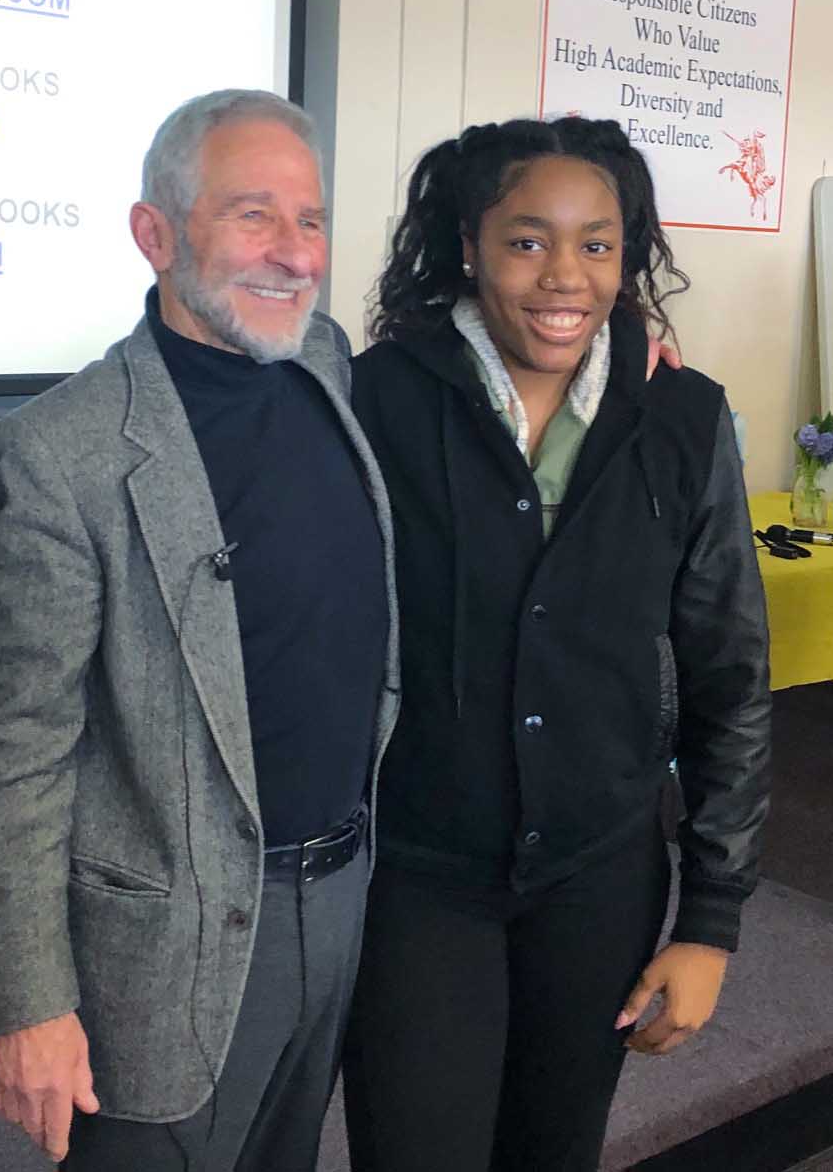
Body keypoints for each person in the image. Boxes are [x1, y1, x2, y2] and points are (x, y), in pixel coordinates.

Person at [0, 89, 400, 1171]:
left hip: (343, 896)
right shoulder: (63, 453)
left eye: (310, 220)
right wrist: (28, 1006)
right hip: (166, 944)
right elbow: (10, 755)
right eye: (253, 214)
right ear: (154, 234)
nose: (294, 252)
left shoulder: (325, 362)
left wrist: (624, 339)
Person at [343, 116, 771, 1171]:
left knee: (554, 1151)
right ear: (469, 247)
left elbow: (729, 678)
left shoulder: (683, 418)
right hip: (419, 876)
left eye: (598, 244)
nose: (564, 276)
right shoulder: (377, 398)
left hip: (599, 879)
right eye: (527, 241)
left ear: (628, 258)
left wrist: (710, 920)